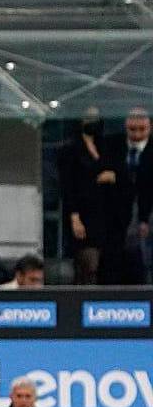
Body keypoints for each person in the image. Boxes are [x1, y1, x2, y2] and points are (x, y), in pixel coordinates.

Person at [57, 107, 111, 284]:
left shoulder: (105, 146)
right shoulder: (70, 148)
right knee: (87, 263)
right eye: (88, 117)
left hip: (103, 213)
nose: (92, 122)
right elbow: (67, 186)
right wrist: (74, 217)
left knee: (103, 265)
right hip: (82, 214)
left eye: (95, 117)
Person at [102, 107, 152, 284]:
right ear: (125, 126)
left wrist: (118, 178)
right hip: (117, 218)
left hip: (147, 214)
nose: (137, 134)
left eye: (142, 129)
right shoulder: (113, 146)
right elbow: (101, 176)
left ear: (150, 127)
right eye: (132, 129)